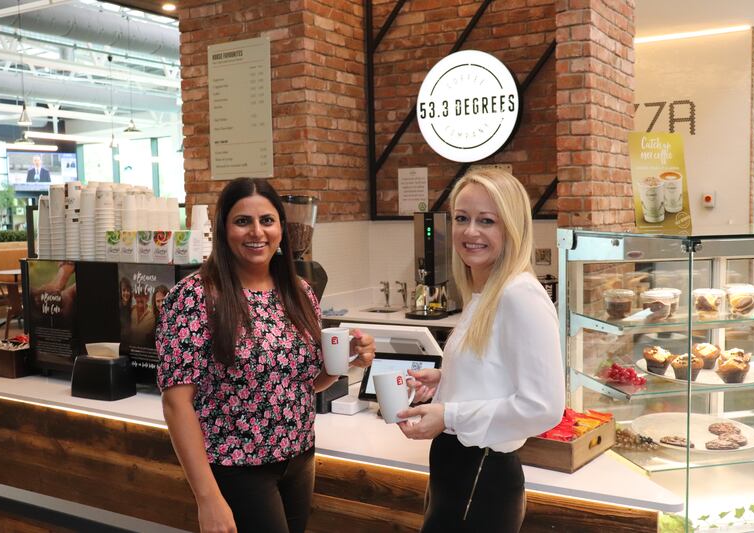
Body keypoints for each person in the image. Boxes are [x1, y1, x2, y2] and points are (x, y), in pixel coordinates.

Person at [156, 177, 375, 533]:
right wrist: (207, 498)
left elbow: (308, 384)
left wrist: (344, 362)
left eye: (267, 220)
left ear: (281, 229)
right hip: (237, 468)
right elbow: (176, 404)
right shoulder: (194, 296)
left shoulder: (300, 292)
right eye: (243, 221)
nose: (256, 232)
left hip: (299, 459)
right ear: (224, 228)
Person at [396, 169, 565, 533]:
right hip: (456, 471)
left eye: (486, 221)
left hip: (481, 476)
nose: (470, 232)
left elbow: (544, 407)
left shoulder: (519, 294)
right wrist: (446, 380)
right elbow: (496, 372)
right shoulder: (485, 292)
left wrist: (449, 415)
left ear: (512, 228)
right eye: (462, 218)